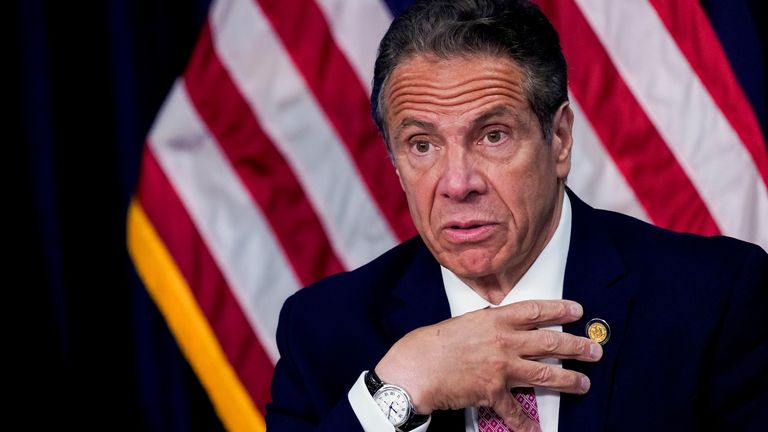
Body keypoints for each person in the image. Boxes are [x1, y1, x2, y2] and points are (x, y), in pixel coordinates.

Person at [265, 0, 768, 431]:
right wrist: (401, 386)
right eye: (422, 145)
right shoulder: (322, 330)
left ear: (560, 139)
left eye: (493, 136)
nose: (458, 183)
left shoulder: (713, 298)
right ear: (395, 164)